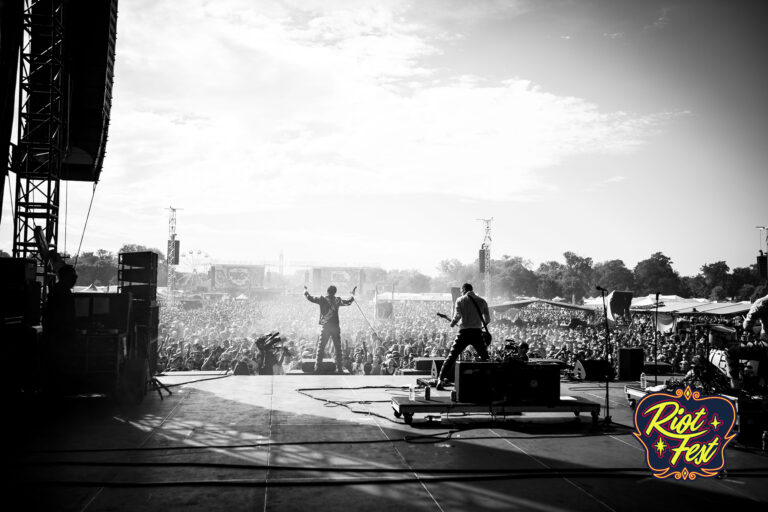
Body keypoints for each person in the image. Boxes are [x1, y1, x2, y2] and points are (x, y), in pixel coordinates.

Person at [436, 283, 491, 390]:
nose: (461, 293)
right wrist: (480, 327)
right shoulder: (482, 301)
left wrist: (452, 323)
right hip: (477, 333)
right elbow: (487, 319)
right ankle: (488, 383)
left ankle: (440, 380)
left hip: (464, 332)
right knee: (485, 357)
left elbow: (457, 315)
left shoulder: (460, 300)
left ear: (464, 290)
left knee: (451, 356)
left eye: (461, 291)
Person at [304, 285, 354, 373]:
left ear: (327, 291)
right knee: (338, 348)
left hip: (326, 327)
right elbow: (348, 302)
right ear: (335, 292)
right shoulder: (337, 300)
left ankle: (317, 368)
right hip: (335, 327)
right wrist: (353, 295)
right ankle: (339, 368)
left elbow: (310, 298)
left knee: (321, 348)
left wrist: (305, 291)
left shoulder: (322, 299)